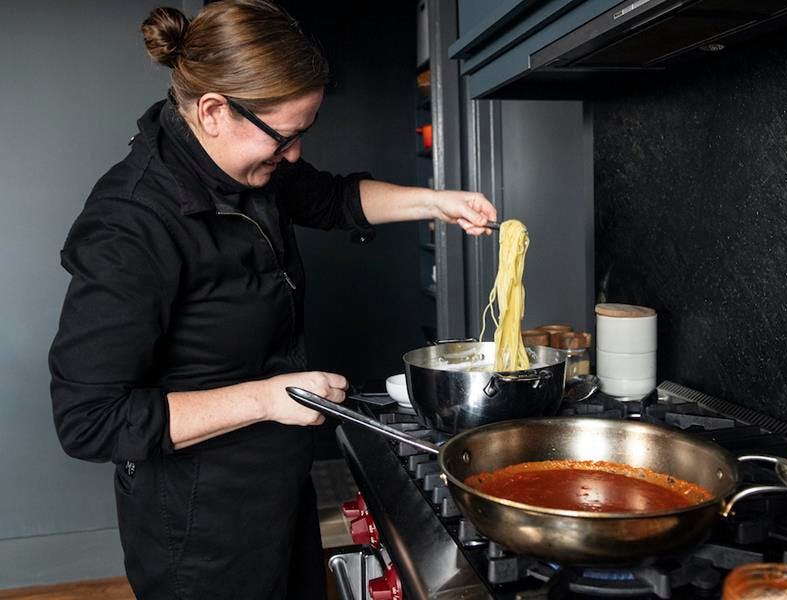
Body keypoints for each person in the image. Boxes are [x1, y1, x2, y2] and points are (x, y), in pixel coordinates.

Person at [47, 2, 496, 598]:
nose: (295, 155)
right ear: (212, 111)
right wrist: (268, 399)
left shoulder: (247, 166)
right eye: (287, 137)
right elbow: (88, 420)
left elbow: (333, 199)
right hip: (199, 527)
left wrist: (436, 202)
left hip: (278, 484)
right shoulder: (130, 225)